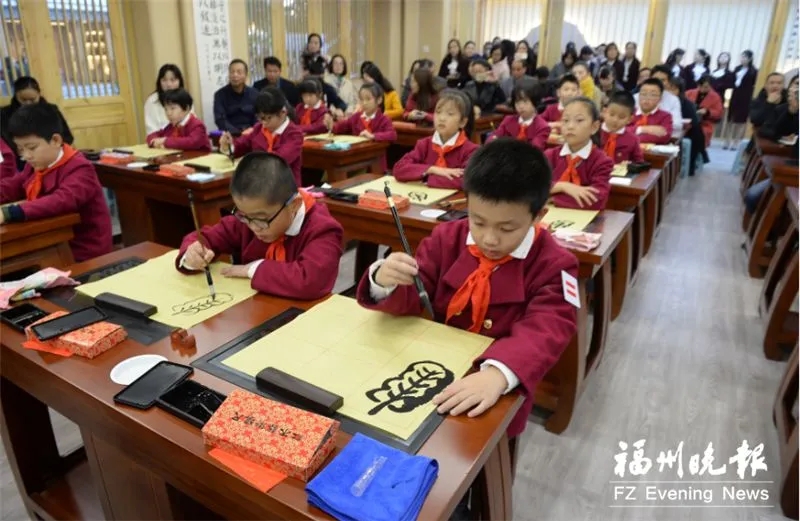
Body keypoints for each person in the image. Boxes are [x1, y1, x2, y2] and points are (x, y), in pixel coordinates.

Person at [357, 138, 578, 450]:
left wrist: (499, 375)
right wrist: (385, 280)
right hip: (424, 369)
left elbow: (548, 328)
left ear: (538, 215)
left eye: (506, 229)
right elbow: (418, 295)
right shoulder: (446, 238)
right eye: (478, 221)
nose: (489, 238)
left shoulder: (555, 264)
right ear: (467, 204)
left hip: (489, 386)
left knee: (476, 457)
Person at [177, 152, 343, 299]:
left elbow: (310, 281)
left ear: (293, 205)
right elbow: (205, 236)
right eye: (244, 215)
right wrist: (193, 254)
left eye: (262, 219)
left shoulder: (323, 229)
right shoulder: (249, 219)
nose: (254, 227)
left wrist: (253, 270)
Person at [0, 103, 111, 262]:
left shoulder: (80, 168)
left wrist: (9, 213)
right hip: (49, 240)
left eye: (31, 147)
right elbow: (15, 184)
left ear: (56, 140)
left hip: (82, 251)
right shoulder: (37, 164)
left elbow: (61, 200)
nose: (26, 156)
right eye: (20, 149)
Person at [393, 89, 477, 189]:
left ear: (462, 122)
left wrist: (425, 177)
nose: (442, 118)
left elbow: (467, 180)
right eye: (438, 112)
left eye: (450, 114)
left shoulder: (471, 150)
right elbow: (399, 169)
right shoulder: (424, 144)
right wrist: (431, 169)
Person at [220, 88, 304, 185]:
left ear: (283, 113)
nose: (263, 123)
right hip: (259, 185)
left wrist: (251, 163)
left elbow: (279, 160)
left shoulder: (294, 134)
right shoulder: (259, 128)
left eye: (268, 118)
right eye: (260, 118)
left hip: (284, 188)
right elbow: (242, 144)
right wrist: (229, 146)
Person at [545, 97, 613, 210]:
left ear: (594, 127)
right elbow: (531, 189)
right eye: (565, 120)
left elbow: (596, 200)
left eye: (579, 120)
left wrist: (553, 198)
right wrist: (563, 186)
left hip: (585, 224)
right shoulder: (549, 155)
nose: (570, 126)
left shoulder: (602, 161)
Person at [743, 84, 798, 214]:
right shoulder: (792, 111)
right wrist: (791, 112)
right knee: (752, 196)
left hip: (794, 172)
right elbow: (776, 130)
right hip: (792, 166)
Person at [1, 76, 73, 170]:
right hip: (18, 162)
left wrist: (52, 153)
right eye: (23, 99)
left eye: (32, 99)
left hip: (50, 160)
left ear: (39, 94)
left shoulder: (50, 110)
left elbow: (67, 137)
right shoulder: (5, 113)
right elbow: (5, 142)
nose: (28, 103)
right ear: (16, 95)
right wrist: (22, 151)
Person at [328, 83, 397, 171]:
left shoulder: (384, 119)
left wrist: (373, 136)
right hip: (356, 161)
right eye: (361, 99)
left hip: (376, 164)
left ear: (379, 100)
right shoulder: (356, 117)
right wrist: (332, 126)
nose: (364, 103)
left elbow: (392, 135)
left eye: (368, 99)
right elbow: (341, 127)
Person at [490, 81, 549, 150]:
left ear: (535, 101)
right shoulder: (508, 120)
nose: (521, 106)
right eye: (517, 102)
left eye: (525, 101)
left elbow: (534, 150)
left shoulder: (542, 127)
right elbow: (493, 137)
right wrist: (493, 139)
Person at [146, 89, 210, 151]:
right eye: (166, 109)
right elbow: (153, 135)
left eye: (172, 108)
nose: (168, 113)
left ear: (186, 108)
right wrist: (153, 141)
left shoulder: (197, 125)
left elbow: (191, 142)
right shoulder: (172, 126)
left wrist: (165, 141)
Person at [665, 76, 703, 176]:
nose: (670, 92)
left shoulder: (686, 104)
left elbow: (693, 123)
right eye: (668, 89)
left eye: (673, 89)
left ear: (680, 90)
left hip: (688, 133)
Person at [724, 50, 759, 149]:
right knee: (730, 119)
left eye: (745, 57)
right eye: (742, 57)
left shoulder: (754, 71)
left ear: (750, 59)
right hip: (735, 95)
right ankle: (727, 140)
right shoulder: (737, 68)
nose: (742, 59)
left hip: (746, 97)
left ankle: (736, 141)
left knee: (741, 120)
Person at [213, 59, 259, 133]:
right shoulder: (220, 95)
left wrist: (252, 130)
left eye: (239, 72)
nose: (235, 75)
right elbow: (220, 119)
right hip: (231, 135)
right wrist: (238, 133)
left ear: (246, 75)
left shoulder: (255, 93)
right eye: (232, 72)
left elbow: (259, 116)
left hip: (252, 134)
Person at [600, 91, 644, 164]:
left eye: (621, 117)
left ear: (629, 119)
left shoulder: (632, 139)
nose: (615, 120)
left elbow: (639, 163)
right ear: (604, 112)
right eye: (611, 114)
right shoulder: (593, 134)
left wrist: (631, 165)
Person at [639, 65, 684, 137]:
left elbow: (678, 124)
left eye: (663, 80)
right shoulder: (636, 97)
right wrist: (652, 128)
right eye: (656, 79)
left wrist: (646, 127)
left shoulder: (673, 100)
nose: (658, 82)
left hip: (664, 139)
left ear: (669, 82)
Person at [144, 64, 186, 134]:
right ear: (159, 82)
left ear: (180, 81)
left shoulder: (185, 98)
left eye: (173, 80)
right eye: (164, 80)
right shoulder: (152, 101)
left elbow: (191, 123)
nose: (169, 84)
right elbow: (151, 130)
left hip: (184, 140)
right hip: (160, 141)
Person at [630, 78, 674, 145]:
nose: (647, 98)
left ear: (660, 98)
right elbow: (620, 130)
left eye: (652, 95)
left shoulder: (665, 116)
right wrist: (643, 129)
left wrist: (633, 133)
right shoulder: (630, 113)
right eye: (643, 94)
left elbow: (664, 136)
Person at [686, 75, 723, 148]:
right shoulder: (689, 93)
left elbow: (718, 113)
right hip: (688, 122)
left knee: (701, 135)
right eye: (700, 86)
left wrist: (707, 112)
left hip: (704, 124)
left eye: (706, 87)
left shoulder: (715, 97)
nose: (702, 88)